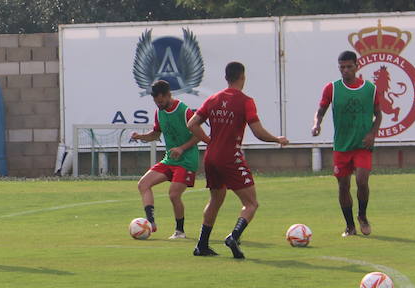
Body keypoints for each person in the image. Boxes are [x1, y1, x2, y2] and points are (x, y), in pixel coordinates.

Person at [185, 61, 289, 259]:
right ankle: (234, 236)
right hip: (230, 157)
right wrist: (277, 139)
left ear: (226, 77)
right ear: (242, 77)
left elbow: (192, 124)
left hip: (211, 157)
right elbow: (257, 132)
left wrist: (209, 140)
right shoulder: (245, 101)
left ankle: (202, 245)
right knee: (251, 204)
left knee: (216, 198)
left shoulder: (213, 99)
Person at [311, 50, 384, 236]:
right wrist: (316, 124)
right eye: (342, 67)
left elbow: (379, 114)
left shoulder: (370, 89)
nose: (345, 70)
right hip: (342, 146)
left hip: (362, 145)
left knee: (362, 180)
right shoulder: (332, 88)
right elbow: (320, 111)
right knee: (343, 185)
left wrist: (372, 134)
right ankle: (350, 226)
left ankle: (362, 216)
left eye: (349, 67)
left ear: (356, 66)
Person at [128, 80, 207, 239]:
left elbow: (199, 135)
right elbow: (156, 134)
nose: (159, 104)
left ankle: (180, 231)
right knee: (143, 184)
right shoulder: (159, 112)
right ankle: (150, 223)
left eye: (161, 101)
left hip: (187, 161)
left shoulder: (184, 111)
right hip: (170, 160)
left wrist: (181, 148)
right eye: (156, 102)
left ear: (169, 95)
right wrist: (141, 136)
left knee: (173, 194)